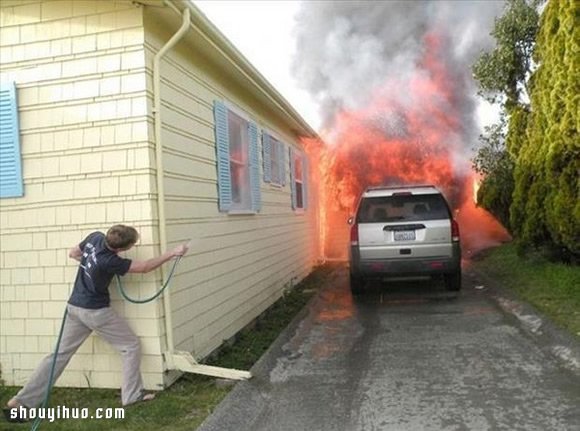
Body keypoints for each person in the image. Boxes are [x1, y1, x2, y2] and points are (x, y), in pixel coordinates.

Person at [5, 224, 188, 419]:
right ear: (123, 249)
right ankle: (132, 395)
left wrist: (90, 266)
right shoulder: (110, 261)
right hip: (95, 311)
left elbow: (74, 253)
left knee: (58, 355)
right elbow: (143, 268)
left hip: (74, 307)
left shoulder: (95, 237)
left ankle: (21, 401)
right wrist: (172, 253)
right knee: (130, 345)